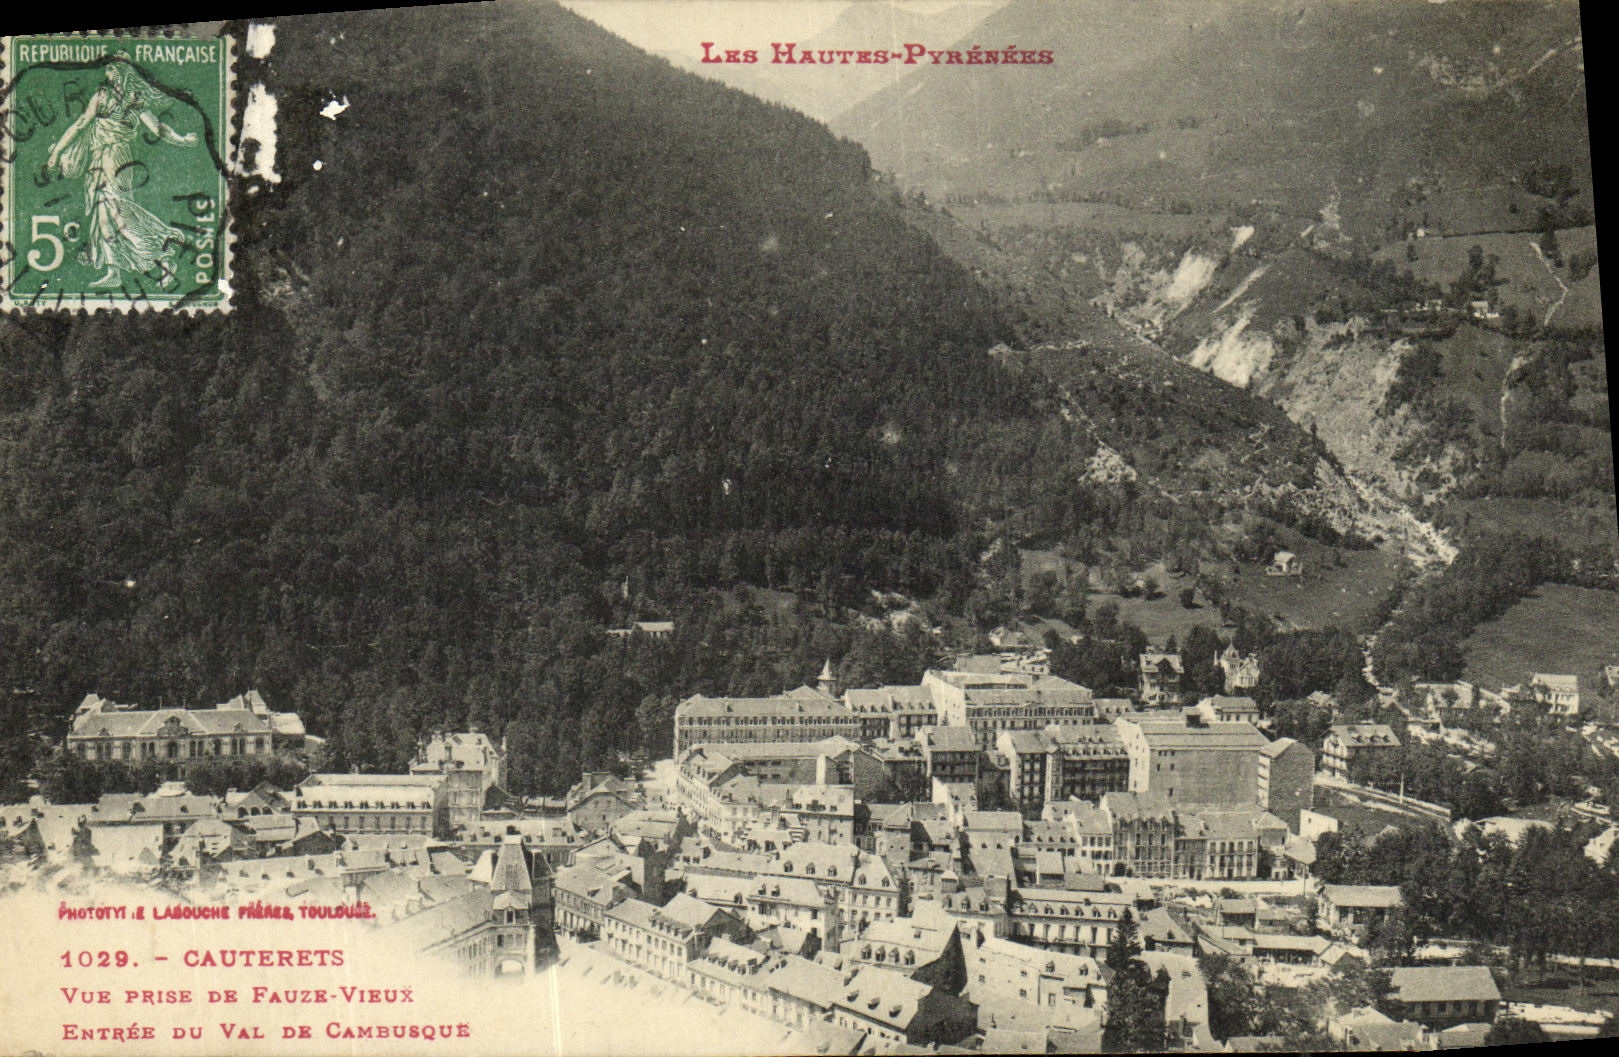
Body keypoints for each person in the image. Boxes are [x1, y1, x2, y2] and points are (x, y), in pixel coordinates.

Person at [45, 56, 197, 288]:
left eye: (112, 68)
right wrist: (183, 140)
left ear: (123, 71)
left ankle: (163, 252)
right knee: (108, 215)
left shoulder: (106, 97)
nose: (109, 72)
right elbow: (158, 129)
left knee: (115, 214)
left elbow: (81, 125)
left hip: (110, 159)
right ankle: (115, 271)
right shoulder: (134, 99)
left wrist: (56, 153)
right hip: (112, 160)